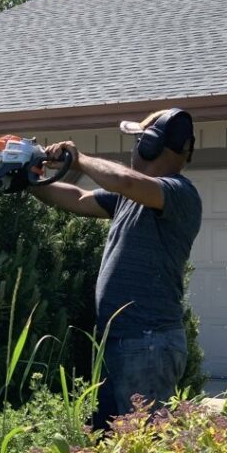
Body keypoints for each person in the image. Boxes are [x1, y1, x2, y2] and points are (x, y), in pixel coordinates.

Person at [32, 108, 202, 422]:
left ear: (151, 144)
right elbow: (80, 198)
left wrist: (79, 159)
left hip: (148, 343)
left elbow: (123, 180)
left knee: (145, 449)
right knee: (108, 443)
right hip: (124, 341)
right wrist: (28, 180)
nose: (134, 147)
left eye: (139, 140)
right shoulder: (132, 197)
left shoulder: (179, 194)